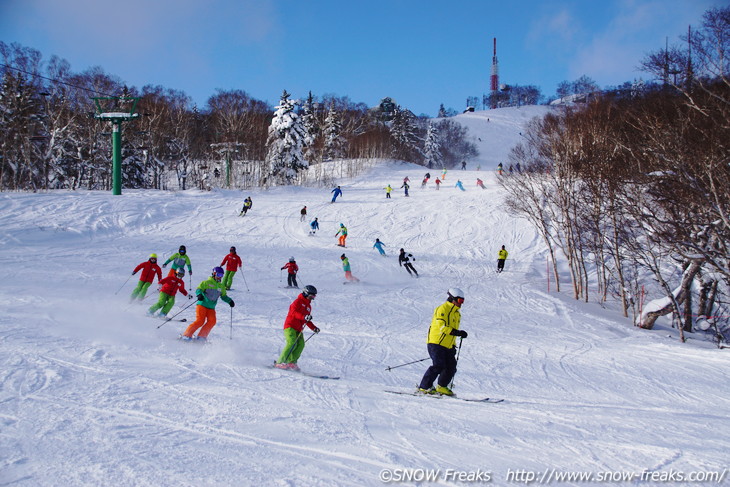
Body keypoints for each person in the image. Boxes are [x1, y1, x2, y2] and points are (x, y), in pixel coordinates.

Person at [418, 288, 468, 396]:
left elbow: (452, 331)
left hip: (448, 345)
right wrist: (456, 332)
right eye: (460, 301)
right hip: (436, 342)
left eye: (463, 302)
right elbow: (441, 327)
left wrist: (455, 339)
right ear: (452, 299)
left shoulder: (457, 314)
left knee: (451, 366)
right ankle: (424, 387)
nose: (461, 304)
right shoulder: (442, 309)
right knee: (438, 365)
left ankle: (442, 386)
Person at [180, 267, 234, 342]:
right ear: (214, 274)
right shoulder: (207, 282)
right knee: (200, 321)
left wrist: (229, 301)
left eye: (221, 275)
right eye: (218, 274)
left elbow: (223, 296)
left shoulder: (221, 287)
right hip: (202, 305)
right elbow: (199, 289)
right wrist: (199, 295)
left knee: (212, 321)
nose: (219, 277)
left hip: (211, 307)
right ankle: (186, 335)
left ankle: (201, 337)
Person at [274, 285, 320, 370]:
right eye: (312, 295)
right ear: (306, 293)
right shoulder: (297, 302)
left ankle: (292, 362)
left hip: (299, 329)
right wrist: (304, 317)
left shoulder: (309, 307)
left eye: (314, 296)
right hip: (290, 326)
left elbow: (307, 320)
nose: (313, 298)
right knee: (291, 343)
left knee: (301, 345)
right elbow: (293, 313)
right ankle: (280, 362)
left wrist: (314, 328)